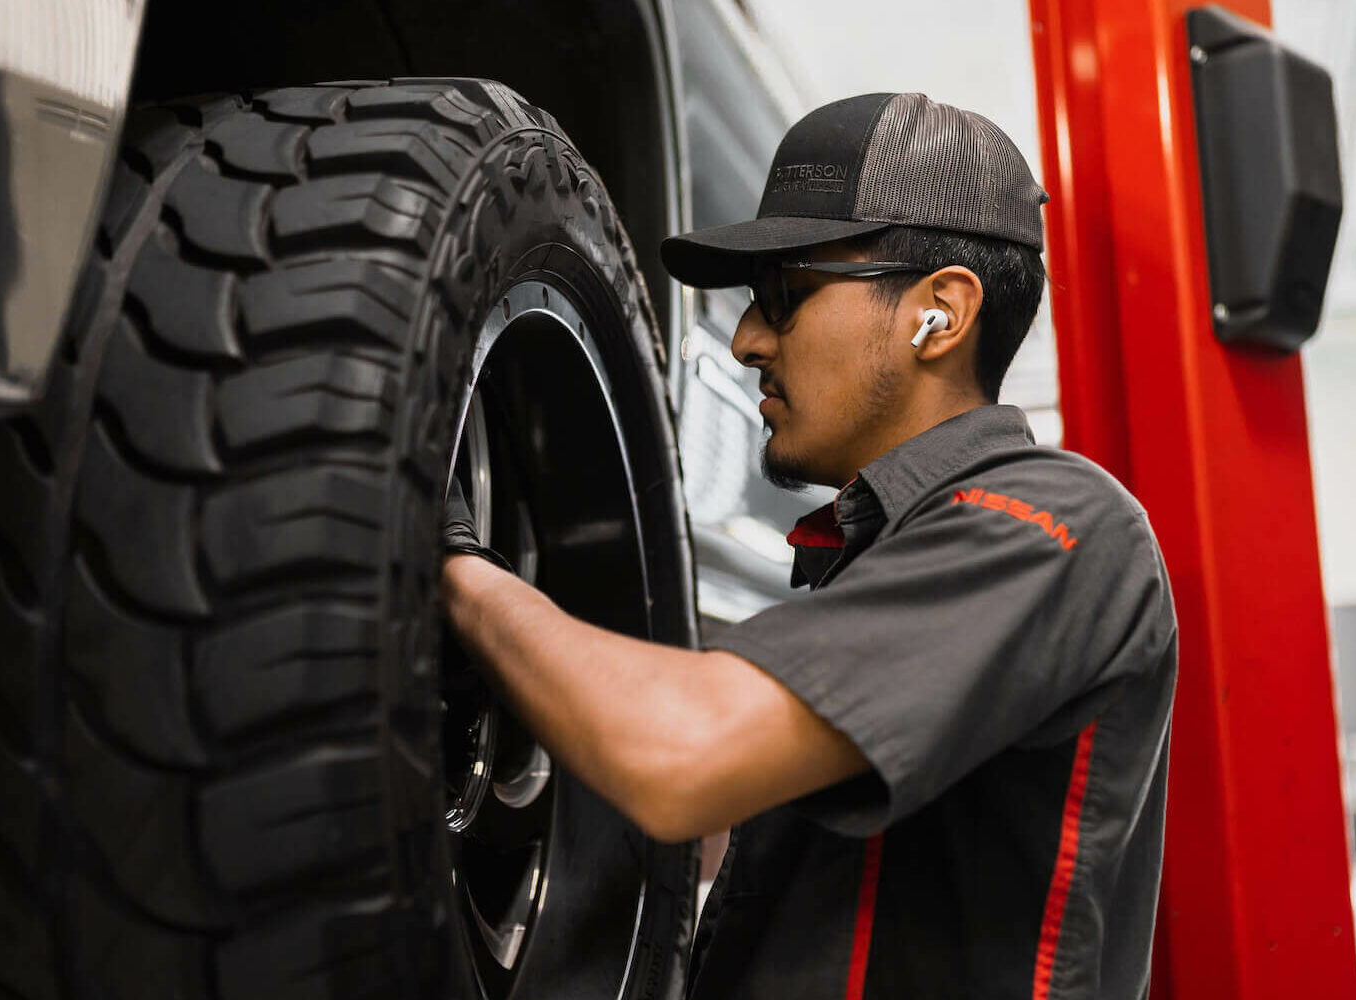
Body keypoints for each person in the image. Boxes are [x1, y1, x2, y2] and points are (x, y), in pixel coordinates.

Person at [442, 92, 1177, 1000]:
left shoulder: (1051, 526)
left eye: (784, 295)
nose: (748, 339)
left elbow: (680, 754)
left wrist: (458, 573)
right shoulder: (875, 555)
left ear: (938, 314)